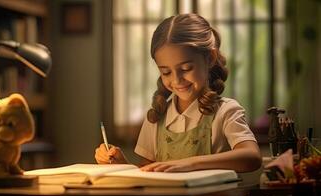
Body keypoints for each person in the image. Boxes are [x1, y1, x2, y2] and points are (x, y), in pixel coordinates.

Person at [95, 13, 262, 173]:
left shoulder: (226, 111)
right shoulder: (155, 117)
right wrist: (121, 164)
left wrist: (190, 163)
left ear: (210, 58)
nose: (177, 80)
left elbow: (252, 157)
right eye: (166, 72)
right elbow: (148, 175)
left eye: (186, 68)